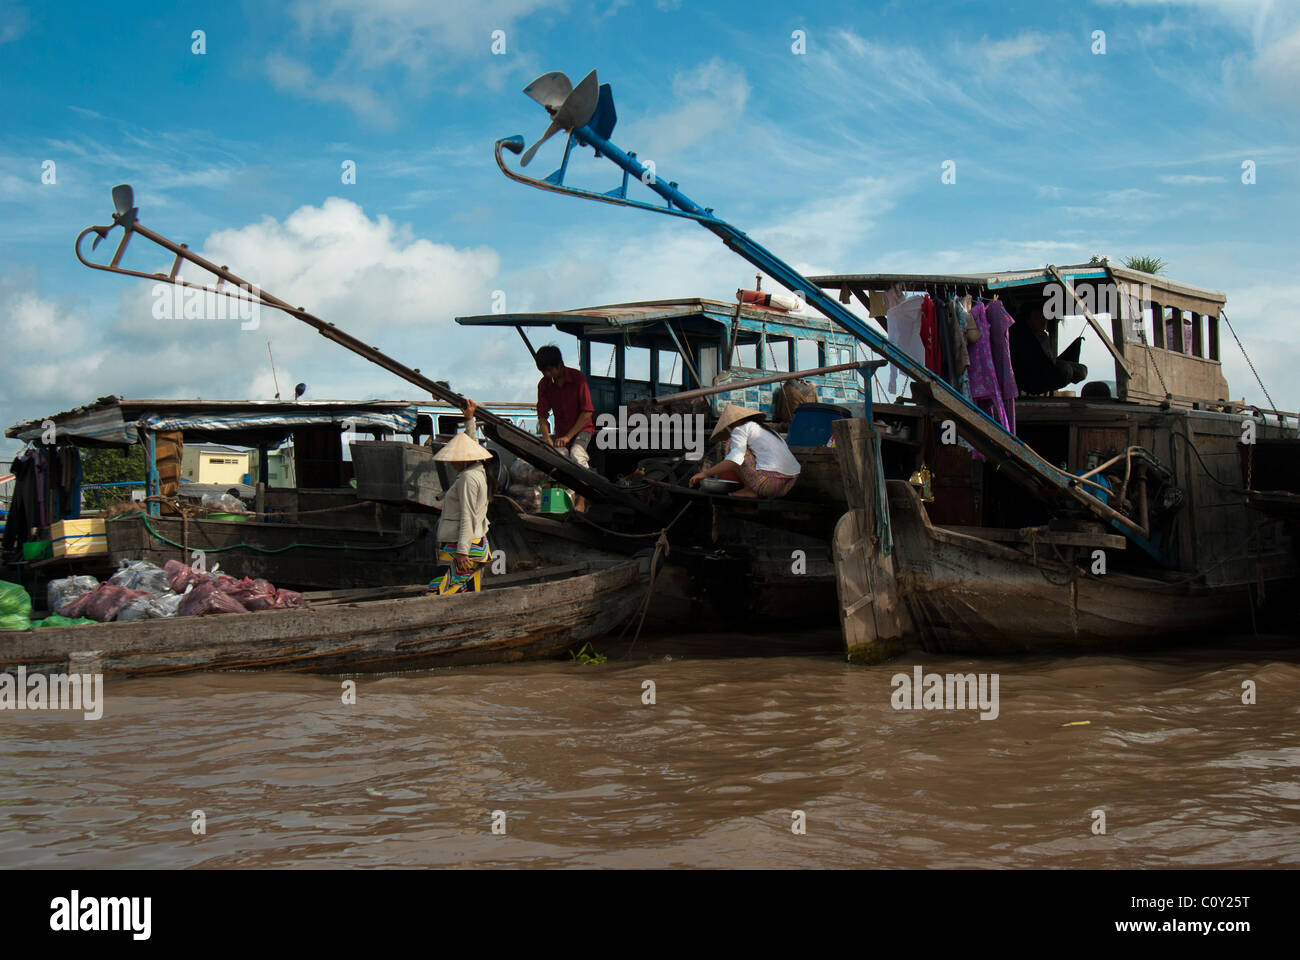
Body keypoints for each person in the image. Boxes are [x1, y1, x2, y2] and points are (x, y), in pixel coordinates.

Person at [428, 399, 494, 596]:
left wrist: (462, 551)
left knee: (438, 592)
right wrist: (469, 420)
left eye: (454, 458)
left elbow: (468, 516)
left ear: (464, 459)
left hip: (463, 545)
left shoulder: (467, 478)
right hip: (475, 542)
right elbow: (473, 446)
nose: (451, 462)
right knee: (468, 591)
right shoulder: (478, 469)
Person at [689, 404, 801, 499]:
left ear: (733, 423)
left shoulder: (740, 429)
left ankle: (750, 490)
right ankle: (751, 489)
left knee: (730, 445)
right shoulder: (769, 431)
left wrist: (704, 474)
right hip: (788, 485)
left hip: (768, 485)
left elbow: (735, 460)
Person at [535, 344, 595, 512]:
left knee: (577, 456)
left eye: (549, 370)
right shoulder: (545, 384)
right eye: (544, 372)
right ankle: (564, 501)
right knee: (557, 459)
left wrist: (569, 437)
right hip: (561, 434)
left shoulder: (578, 379)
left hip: (583, 430)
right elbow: (542, 414)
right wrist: (547, 438)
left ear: (560, 365)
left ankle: (581, 501)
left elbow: (587, 413)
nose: (547, 375)